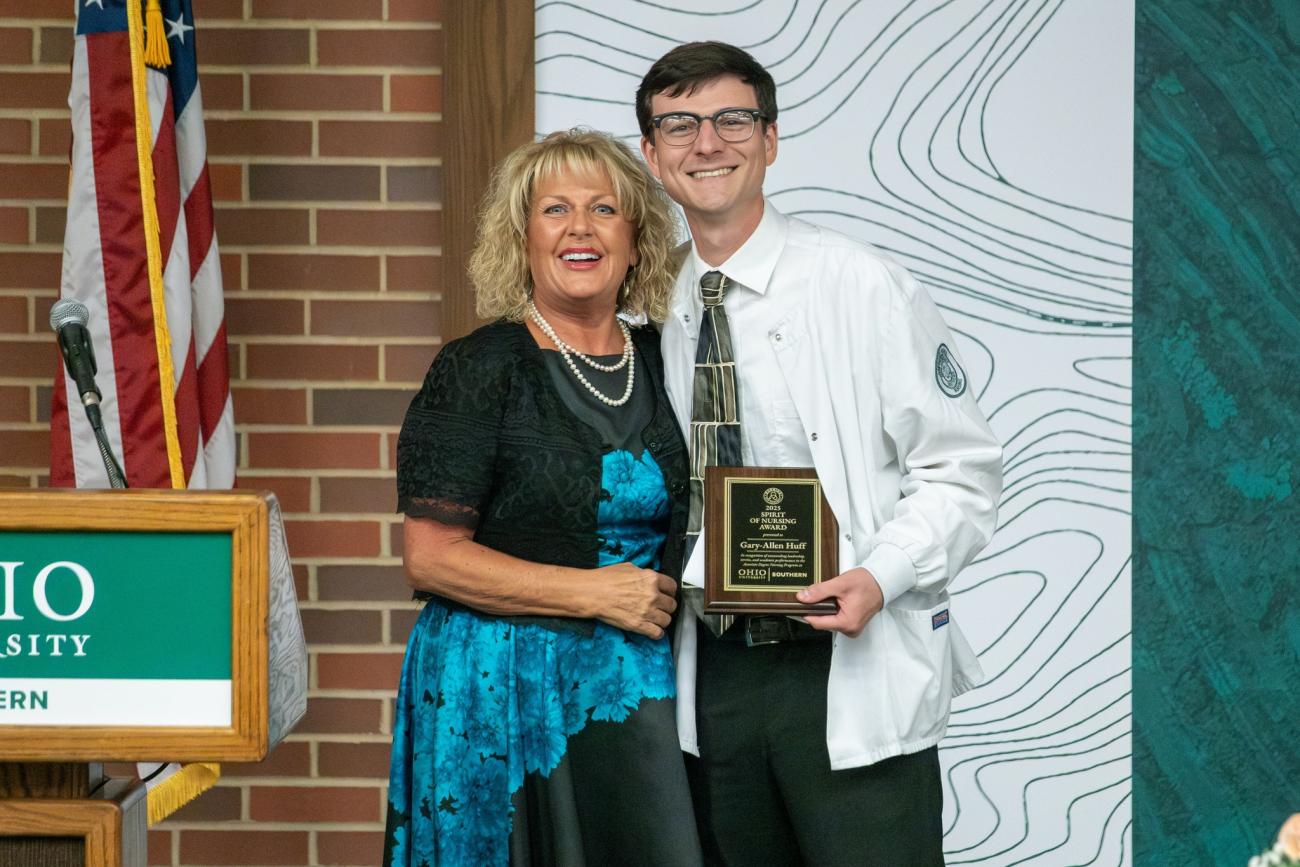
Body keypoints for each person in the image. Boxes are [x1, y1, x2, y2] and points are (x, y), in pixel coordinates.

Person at [636, 42, 1005, 865]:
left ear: (770, 139)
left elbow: (963, 468)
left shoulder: (863, 284)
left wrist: (883, 574)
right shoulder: (656, 303)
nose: (708, 142)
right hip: (715, 672)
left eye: (733, 120)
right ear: (653, 155)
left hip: (844, 655)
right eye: (681, 125)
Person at [383, 129, 703, 866]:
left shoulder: (668, 360)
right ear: (522, 238)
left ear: (636, 240)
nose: (579, 228)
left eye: (603, 209)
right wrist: (592, 592)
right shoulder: (478, 368)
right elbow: (431, 558)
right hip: (500, 691)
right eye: (555, 209)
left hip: (642, 682)